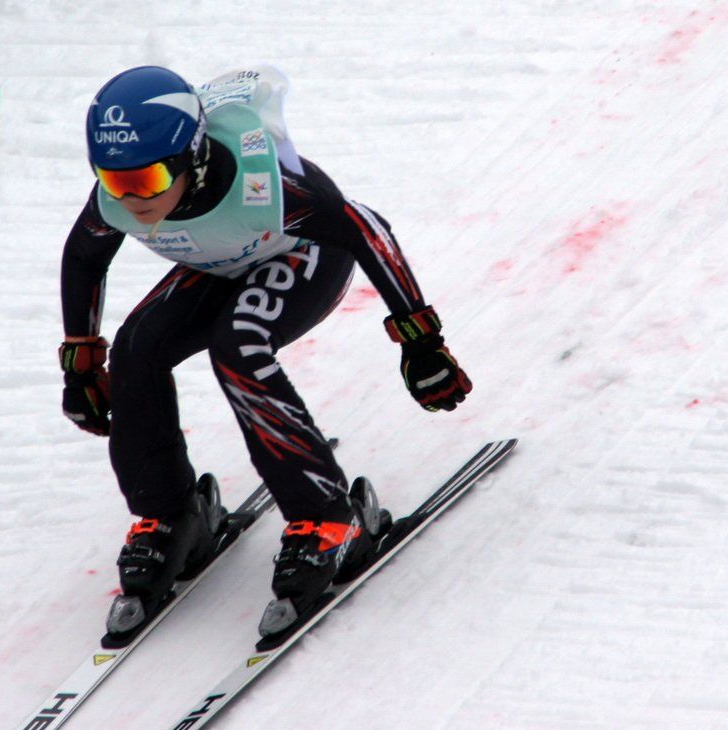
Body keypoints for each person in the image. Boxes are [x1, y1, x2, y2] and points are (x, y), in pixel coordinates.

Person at [59, 65, 472, 639]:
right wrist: (82, 363)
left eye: (147, 180)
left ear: (194, 158)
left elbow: (365, 226)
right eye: (113, 179)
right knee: (136, 348)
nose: (131, 198)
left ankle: (329, 518)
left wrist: (422, 343)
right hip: (224, 260)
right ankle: (170, 513)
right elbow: (84, 257)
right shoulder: (119, 197)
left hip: (303, 256)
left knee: (239, 347)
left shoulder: (263, 184)